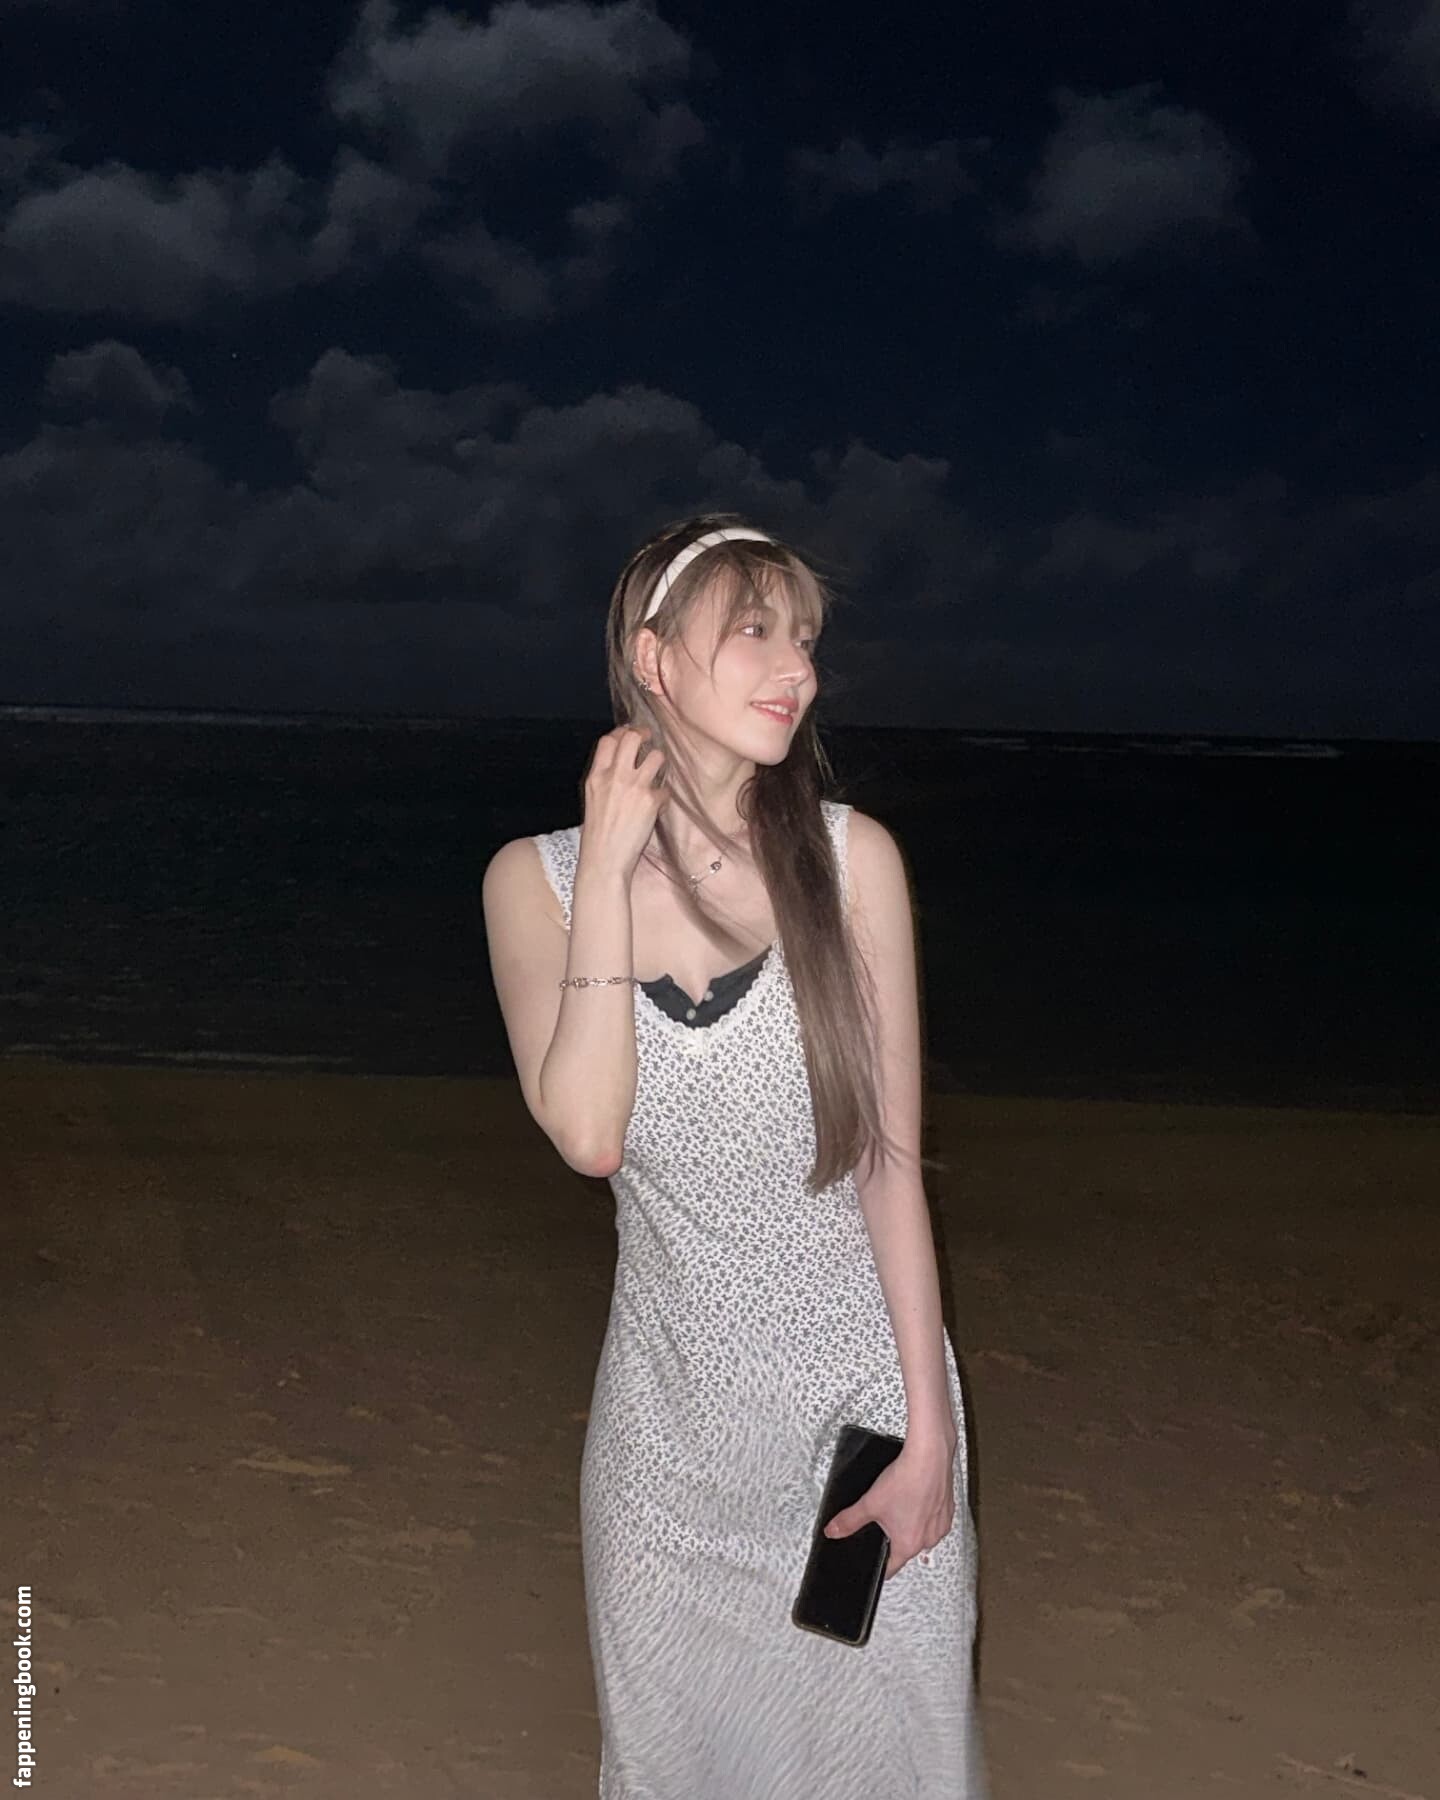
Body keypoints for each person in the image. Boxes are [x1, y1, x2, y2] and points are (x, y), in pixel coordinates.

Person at [482, 513, 987, 1796]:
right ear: (654, 660)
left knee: (885, 1767)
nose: (796, 666)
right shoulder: (533, 883)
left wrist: (931, 1438)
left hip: (860, 1432)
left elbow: (891, 1166)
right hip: (667, 1455)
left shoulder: (851, 861)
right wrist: (607, 872)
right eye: (755, 630)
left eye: (805, 636)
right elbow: (589, 1135)